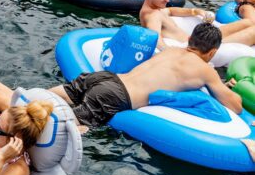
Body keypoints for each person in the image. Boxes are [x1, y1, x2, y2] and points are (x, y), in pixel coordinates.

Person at [50, 23, 242, 131]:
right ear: (212, 52)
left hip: (106, 78)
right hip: (117, 96)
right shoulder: (205, 69)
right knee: (60, 124)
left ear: (191, 40)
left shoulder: (172, 51)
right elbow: (236, 106)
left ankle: (21, 94)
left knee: (58, 95)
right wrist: (223, 85)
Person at [140, 0, 255, 50]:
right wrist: (178, 52)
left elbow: (170, 11)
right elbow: (156, 40)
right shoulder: (152, 15)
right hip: (197, 48)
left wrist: (195, 11)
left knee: (248, 23)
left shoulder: (155, 9)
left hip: (197, 41)